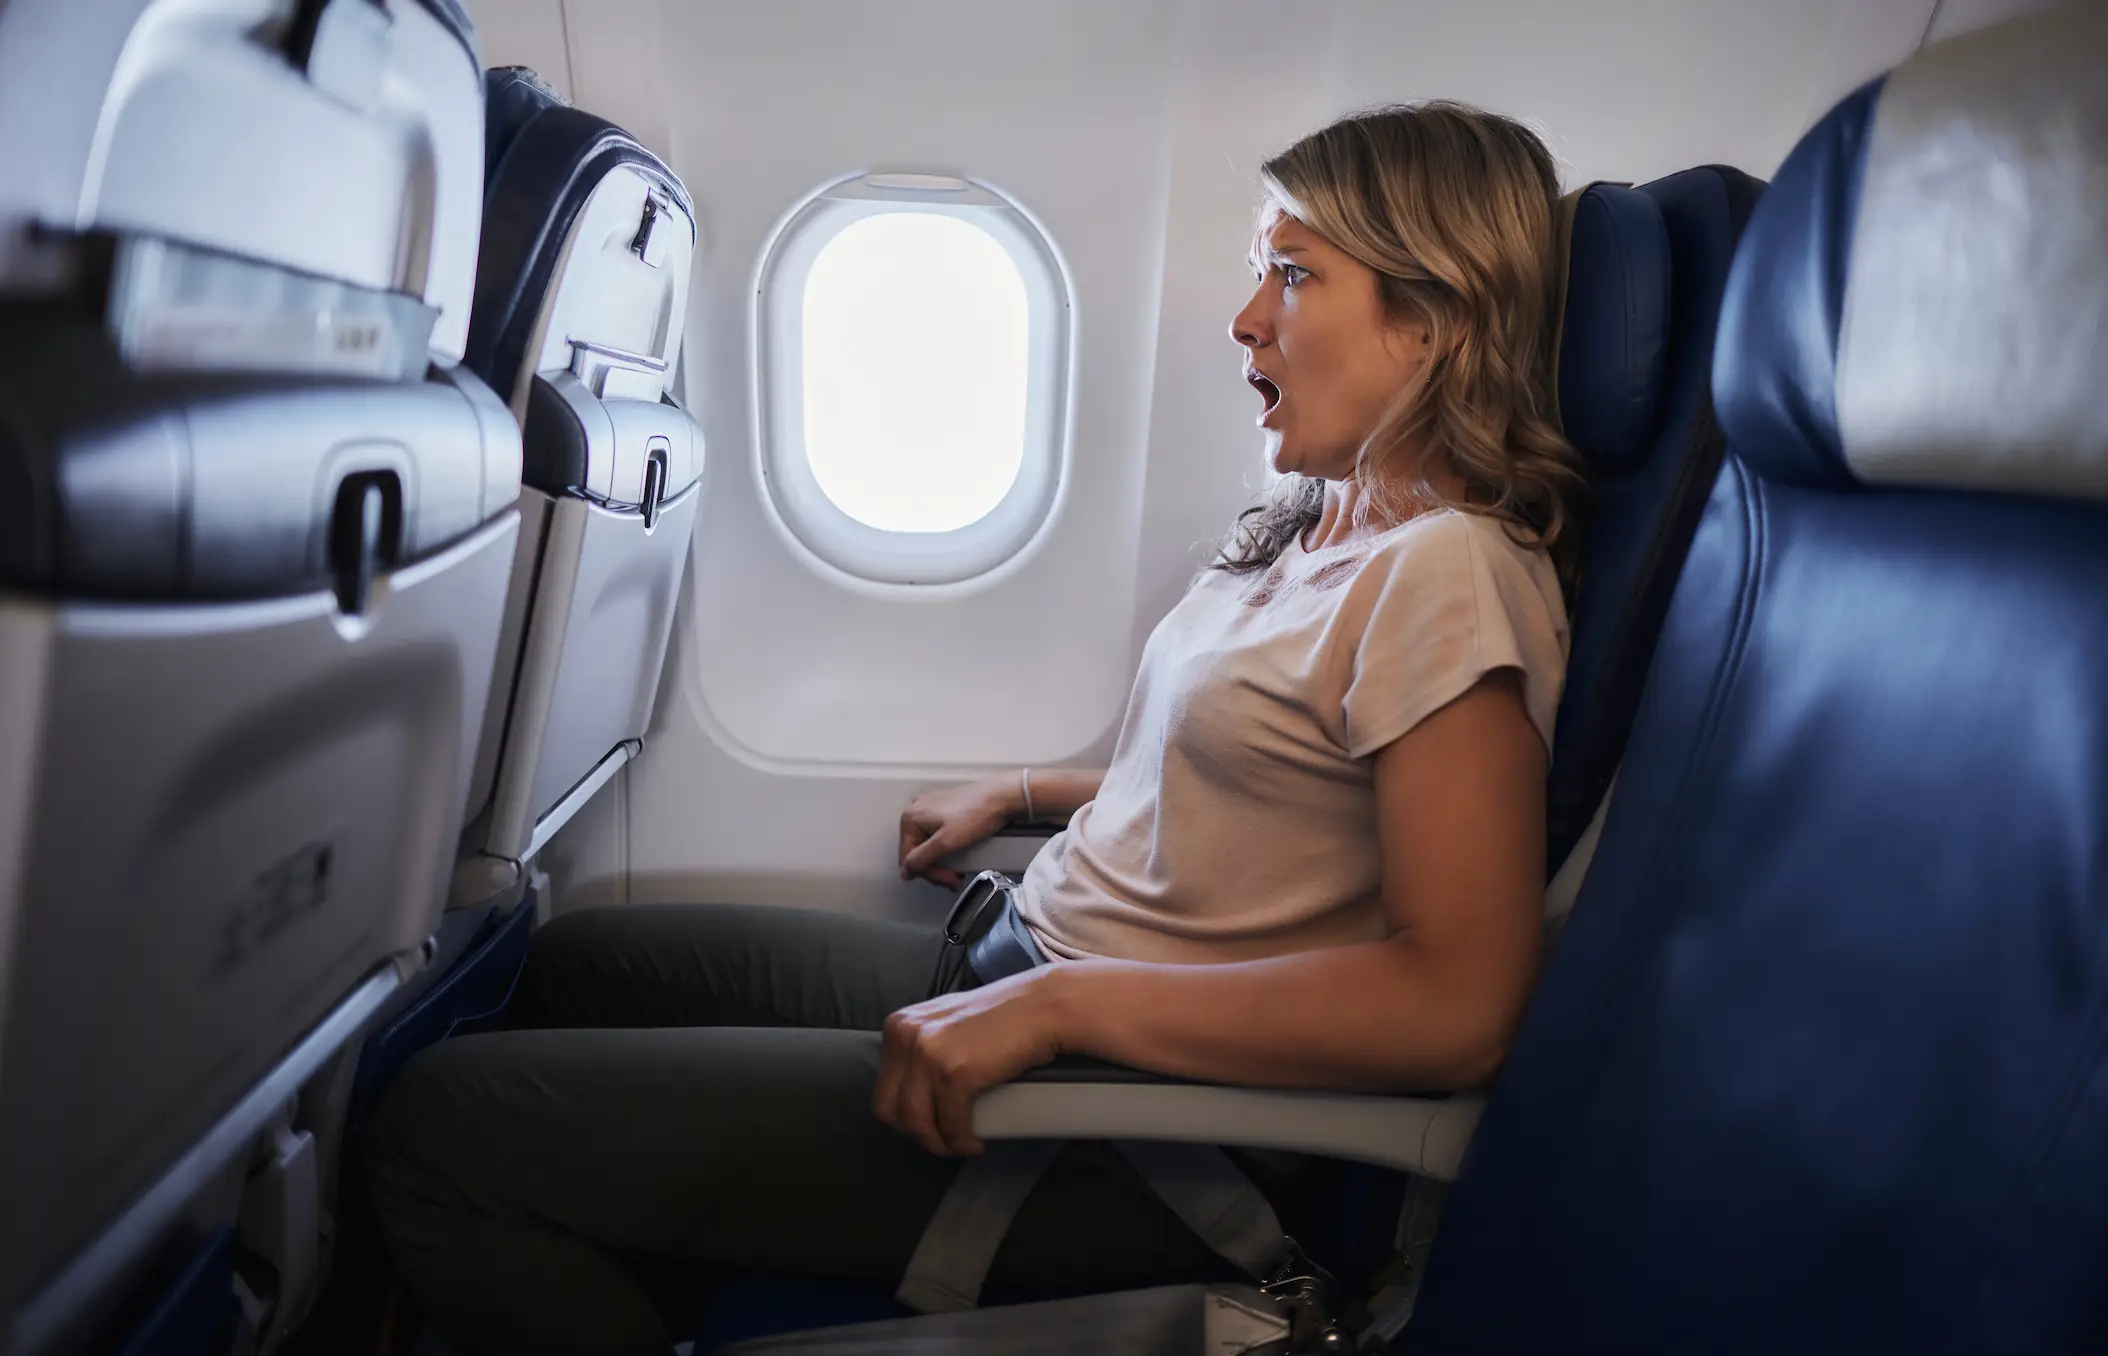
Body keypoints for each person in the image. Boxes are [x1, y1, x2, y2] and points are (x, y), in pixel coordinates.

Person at [366, 100, 1585, 1355]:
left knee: (439, 1134)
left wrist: (1059, 1015)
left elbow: (1460, 1001)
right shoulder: (1317, 526)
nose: (1243, 317)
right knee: (571, 969)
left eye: (1292, 274)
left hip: (1119, 1126)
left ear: (1430, 323)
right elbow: (1253, 782)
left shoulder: (1445, 573)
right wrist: (1021, 793)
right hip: (1023, 962)